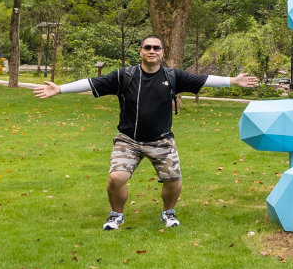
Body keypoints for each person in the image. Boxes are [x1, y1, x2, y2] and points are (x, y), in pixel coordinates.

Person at [34, 36, 258, 230]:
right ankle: (116, 215)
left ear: (162, 53)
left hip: (161, 141)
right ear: (140, 51)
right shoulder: (125, 76)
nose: (152, 51)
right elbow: (93, 82)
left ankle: (168, 213)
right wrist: (59, 89)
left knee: (174, 180)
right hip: (128, 140)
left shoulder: (173, 76)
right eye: (147, 47)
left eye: (156, 48)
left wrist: (233, 81)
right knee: (116, 178)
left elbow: (204, 79)